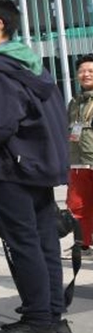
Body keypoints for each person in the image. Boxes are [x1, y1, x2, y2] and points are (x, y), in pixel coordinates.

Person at [0, 0, 71, 333]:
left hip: (9, 169)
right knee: (44, 244)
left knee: (21, 243)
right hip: (38, 167)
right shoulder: (35, 66)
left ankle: (38, 323)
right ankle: (53, 318)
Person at [66, 53, 93, 260]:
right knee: (77, 206)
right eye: (82, 71)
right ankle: (82, 245)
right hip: (77, 163)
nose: (86, 74)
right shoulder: (74, 102)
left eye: (91, 71)